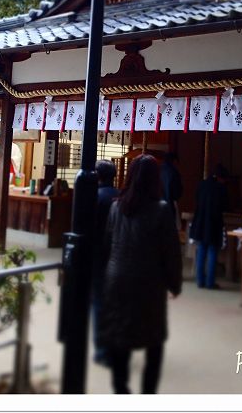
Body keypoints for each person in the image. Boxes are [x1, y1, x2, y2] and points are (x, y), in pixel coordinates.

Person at [98, 154, 183, 394]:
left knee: (120, 336)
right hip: (149, 280)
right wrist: (173, 283)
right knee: (153, 341)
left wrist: (106, 273)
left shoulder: (117, 206)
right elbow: (171, 252)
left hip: (117, 277)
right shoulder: (161, 209)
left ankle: (121, 389)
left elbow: (107, 242)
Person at [92, 159, 119, 366]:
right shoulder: (121, 197)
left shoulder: (95, 197)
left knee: (100, 304)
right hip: (119, 255)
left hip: (99, 255)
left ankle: (103, 349)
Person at [190, 164, 230, 289]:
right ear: (221, 177)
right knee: (213, 251)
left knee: (201, 250)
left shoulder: (202, 184)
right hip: (214, 223)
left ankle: (200, 280)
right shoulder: (221, 188)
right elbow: (225, 206)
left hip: (201, 221)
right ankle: (210, 282)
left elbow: (196, 199)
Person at [160, 152, 183, 223]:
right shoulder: (173, 172)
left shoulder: (157, 170)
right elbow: (177, 192)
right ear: (174, 161)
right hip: (169, 204)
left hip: (156, 205)